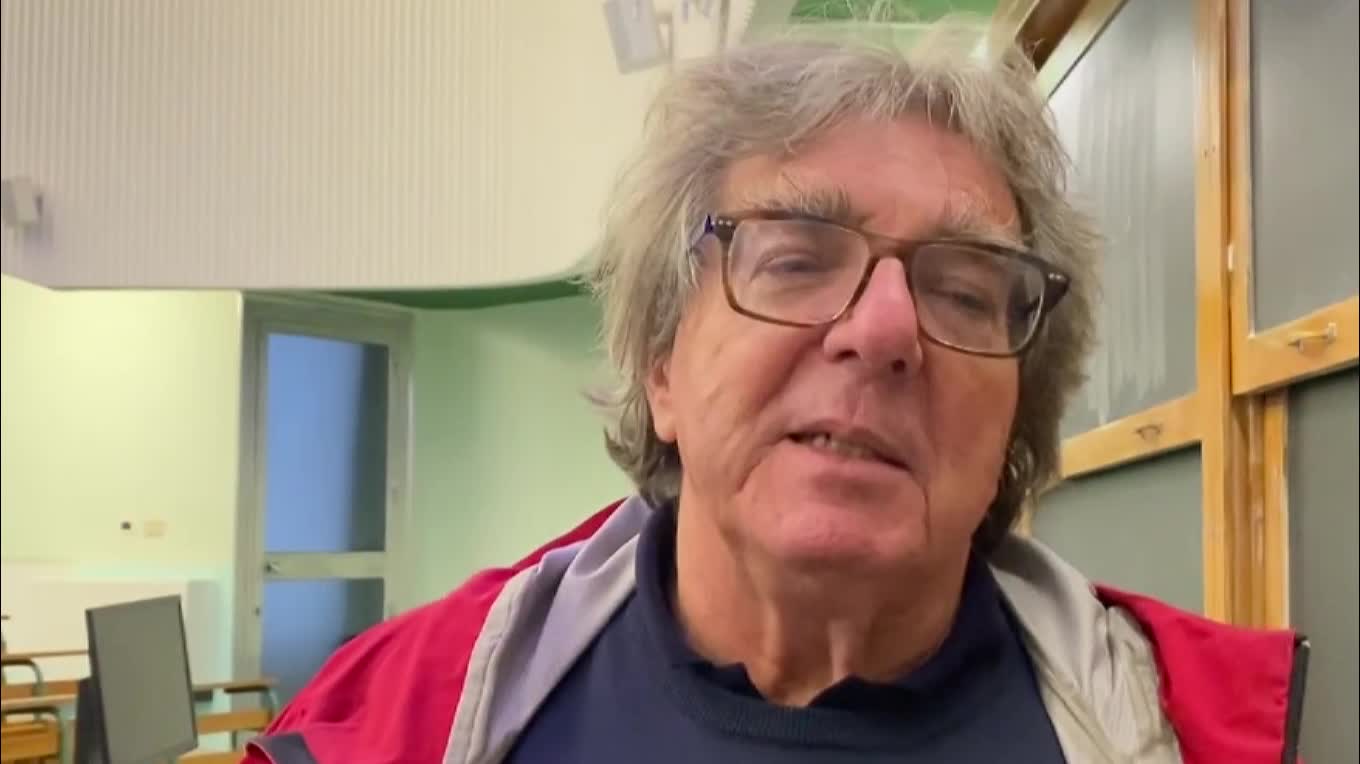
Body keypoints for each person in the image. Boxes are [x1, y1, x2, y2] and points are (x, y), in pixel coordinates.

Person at [245, 28, 1303, 764]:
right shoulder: (379, 724)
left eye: (962, 291)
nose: (882, 330)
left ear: (1014, 423)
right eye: (794, 260)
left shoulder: (1225, 729)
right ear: (661, 365)